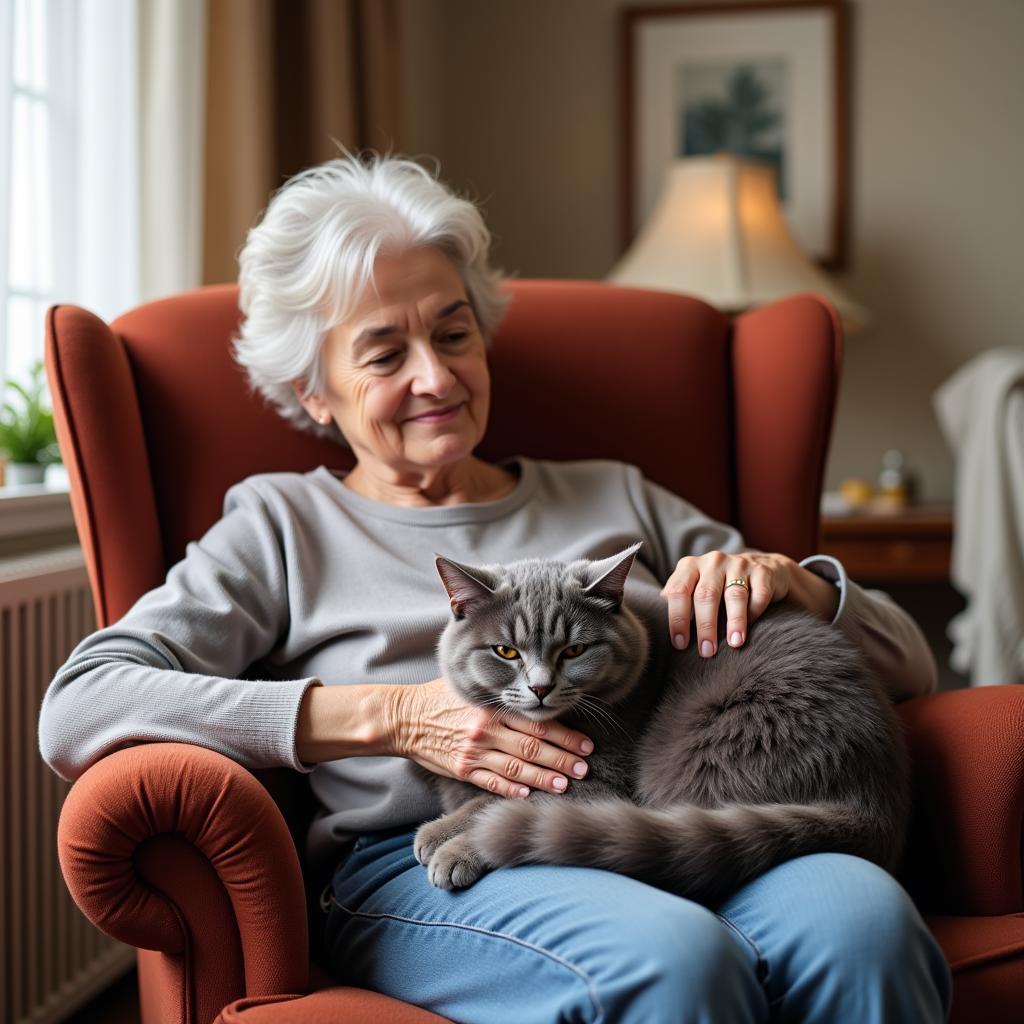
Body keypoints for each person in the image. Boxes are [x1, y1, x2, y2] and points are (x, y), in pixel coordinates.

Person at [38, 152, 951, 1023]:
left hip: (683, 810)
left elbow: (910, 666)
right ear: (315, 391)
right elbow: (79, 707)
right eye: (384, 354)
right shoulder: (281, 525)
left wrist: (796, 581)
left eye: (452, 332)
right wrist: (390, 716)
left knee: (863, 923)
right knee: (671, 959)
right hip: (432, 862)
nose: (434, 377)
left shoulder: (614, 494)